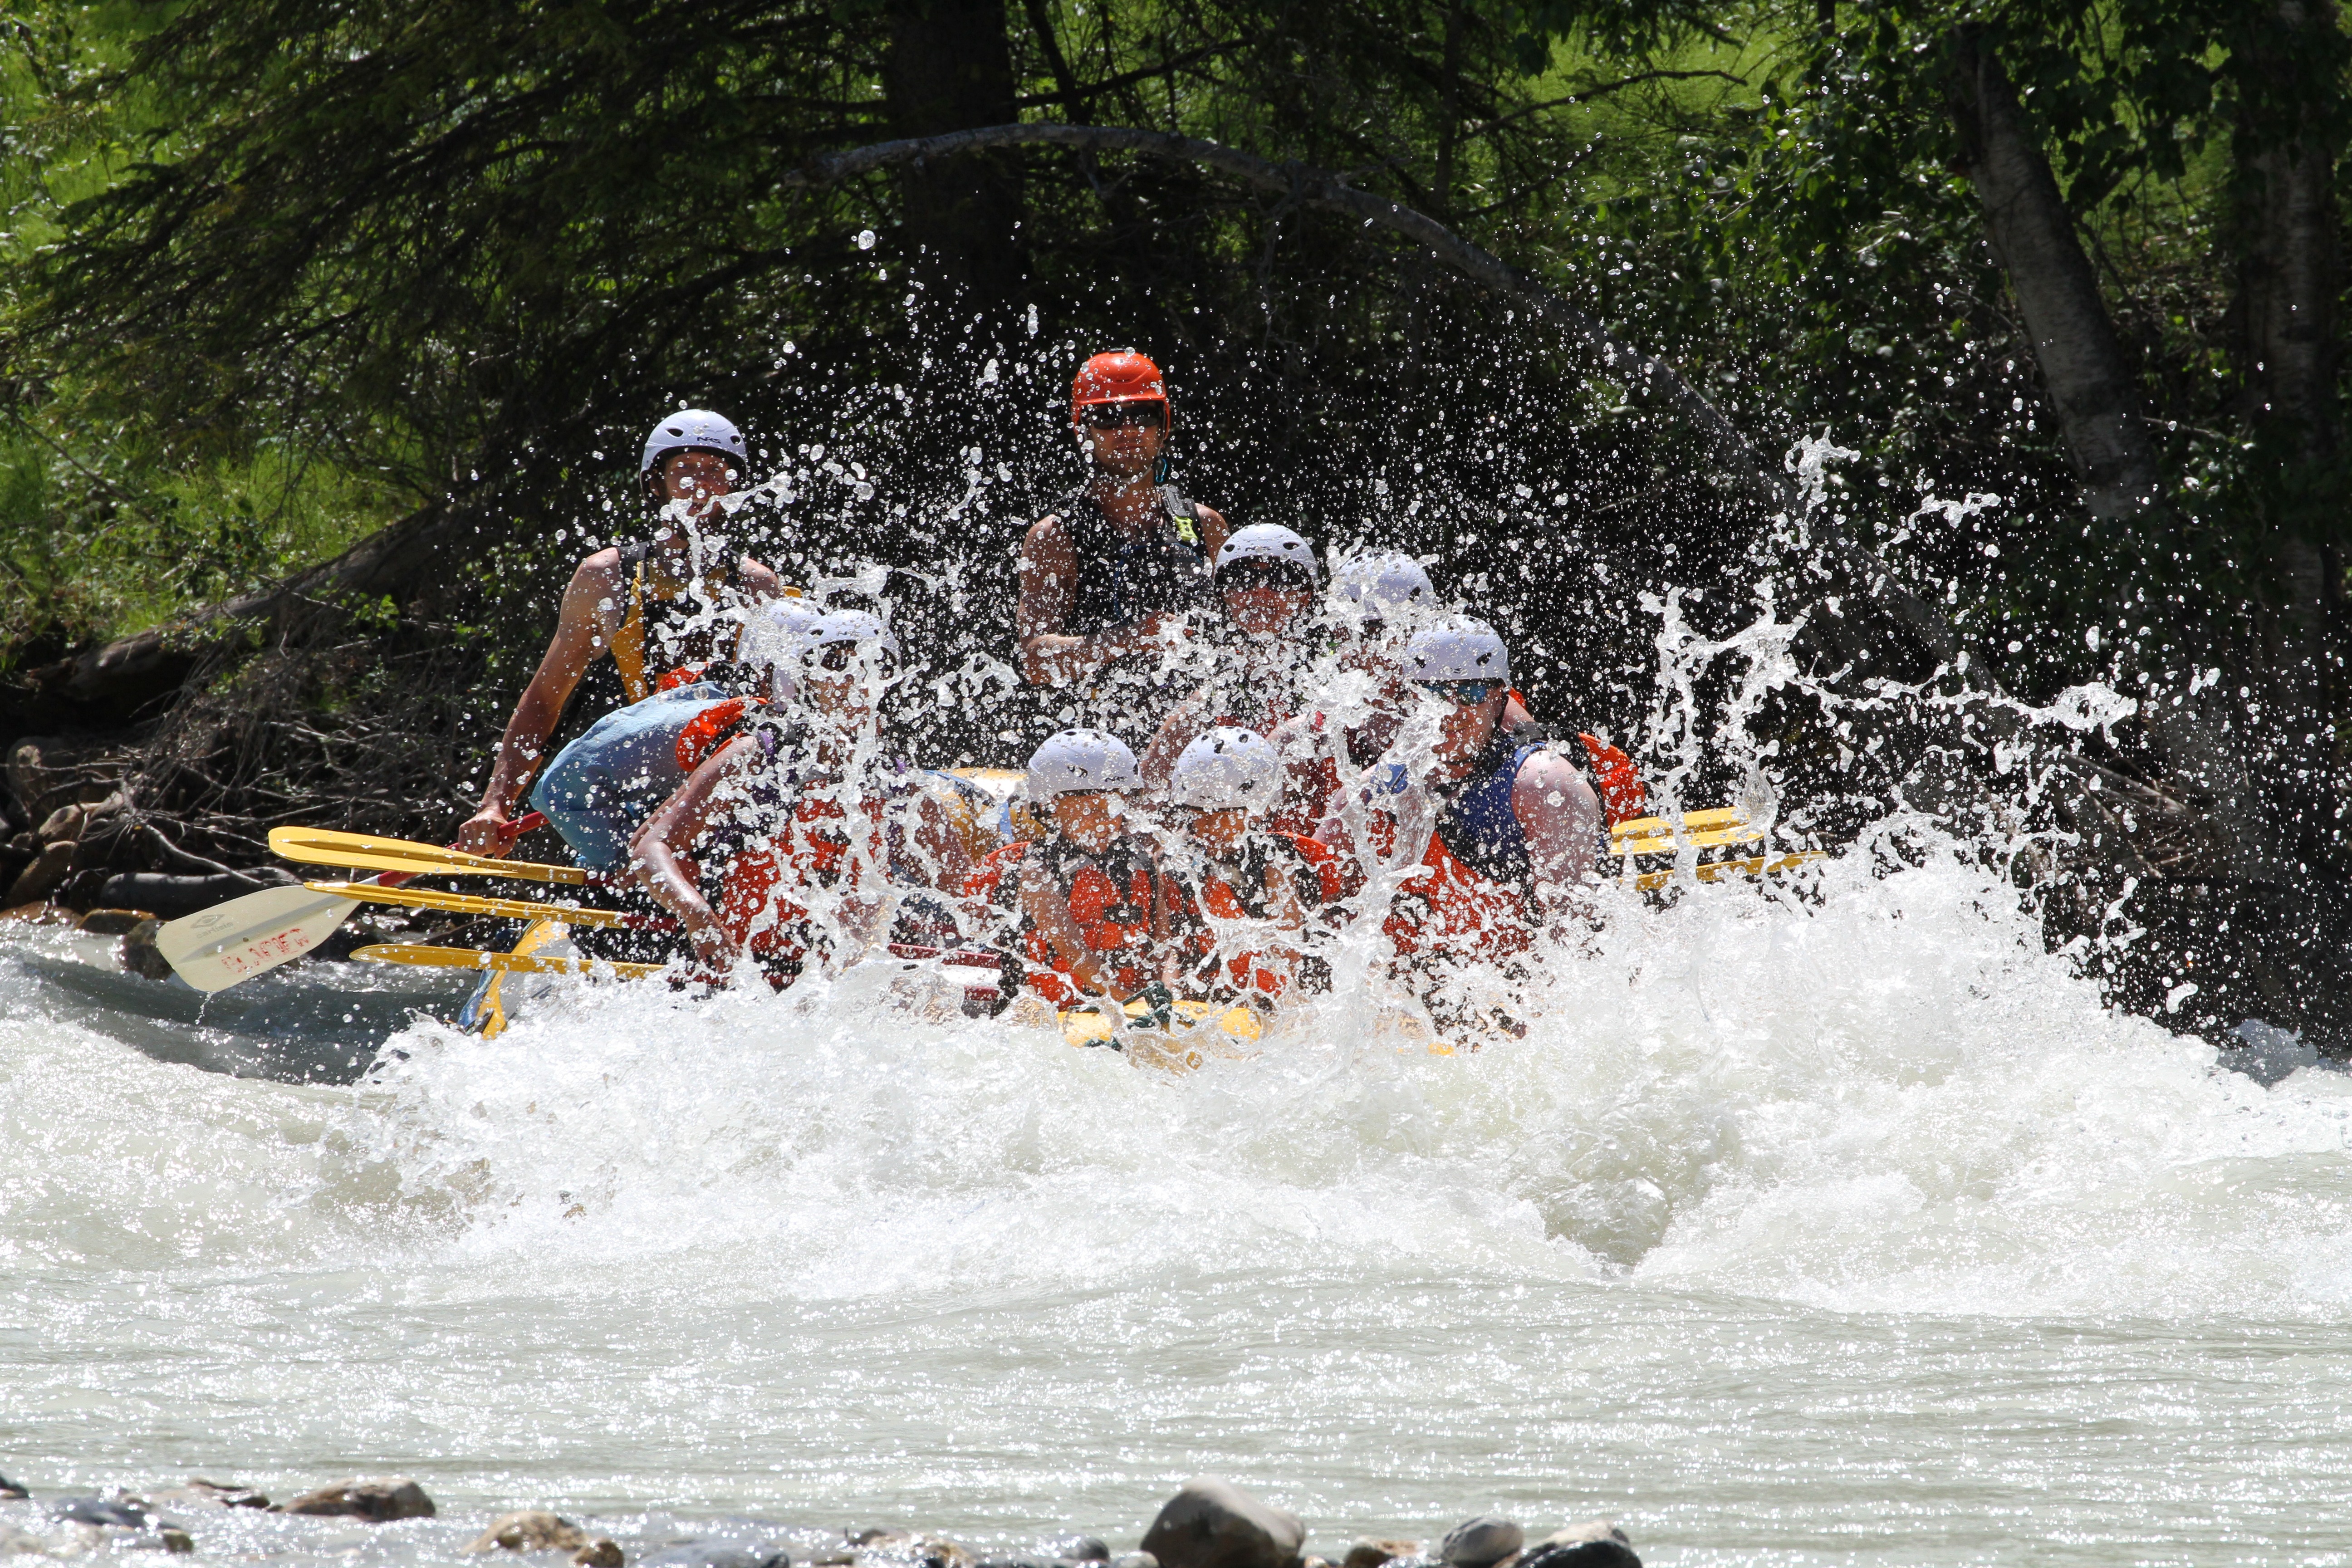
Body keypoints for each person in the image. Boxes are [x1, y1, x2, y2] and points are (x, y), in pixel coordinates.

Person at [456, 409, 790, 855]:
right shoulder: (606, 578)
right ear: (657, 484)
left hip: (722, 777)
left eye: (713, 471)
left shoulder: (757, 585)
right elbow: (543, 701)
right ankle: (635, 877)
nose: (699, 484)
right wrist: (495, 805)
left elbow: (777, 707)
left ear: (731, 485)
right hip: (638, 770)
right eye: (684, 470)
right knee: (561, 787)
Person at [629, 611, 960, 980]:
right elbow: (650, 851)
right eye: (833, 662)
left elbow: (962, 887)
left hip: (837, 984)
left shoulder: (898, 781)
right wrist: (697, 915)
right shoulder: (755, 758)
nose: (852, 676)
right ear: (807, 678)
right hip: (741, 973)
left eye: (871, 662)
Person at [1317, 618, 1602, 965]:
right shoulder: (1370, 791)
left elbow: (1574, 938)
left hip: (1523, 979)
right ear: (1410, 701)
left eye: (1471, 693)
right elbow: (1315, 911)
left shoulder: (1543, 784)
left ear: (1499, 701)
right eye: (1432, 694)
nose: (1451, 712)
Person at [524, 598, 818, 871]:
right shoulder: (693, 720)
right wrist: (628, 864)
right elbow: (561, 784)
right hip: (635, 863)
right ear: (769, 672)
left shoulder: (812, 731)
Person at [1015, 353, 1231, 706]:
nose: (1128, 431)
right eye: (1108, 419)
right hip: (1098, 735)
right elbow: (1035, 661)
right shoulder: (1055, 535)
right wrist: (1127, 639)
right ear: (1083, 431)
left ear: (1163, 428)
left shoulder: (1204, 525)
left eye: (1143, 416)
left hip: (1194, 728)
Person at [962, 729, 1171, 1009]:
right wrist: (1130, 1002)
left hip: (1125, 1006)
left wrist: (1165, 993)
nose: (1103, 821)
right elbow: (1074, 951)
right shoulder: (1036, 870)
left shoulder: (1143, 862)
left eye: (1113, 808)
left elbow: (1163, 948)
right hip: (1046, 1013)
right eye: (1089, 810)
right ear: (1050, 806)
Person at [1158, 726, 1340, 1005]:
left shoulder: (1276, 863)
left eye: (1224, 816)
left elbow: (1287, 950)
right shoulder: (1176, 861)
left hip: (1272, 999)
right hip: (1207, 998)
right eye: (1201, 814)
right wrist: (1170, 1000)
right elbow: (1171, 948)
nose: (1211, 827)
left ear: (1259, 810)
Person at [1138, 524, 1323, 793]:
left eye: (1282, 578)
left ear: (1307, 595)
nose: (1260, 591)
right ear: (1224, 595)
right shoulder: (1210, 693)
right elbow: (1147, 785)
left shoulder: (1334, 678)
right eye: (1243, 578)